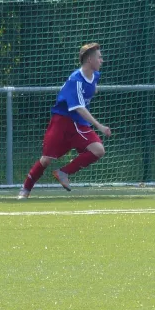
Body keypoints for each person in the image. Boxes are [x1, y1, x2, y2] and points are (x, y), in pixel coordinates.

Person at [18, 43, 111, 199]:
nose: (102, 60)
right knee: (46, 160)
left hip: (78, 124)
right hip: (62, 122)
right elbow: (79, 108)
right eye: (99, 57)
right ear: (89, 59)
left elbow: (92, 88)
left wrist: (93, 90)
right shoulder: (76, 79)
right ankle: (25, 190)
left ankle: (63, 172)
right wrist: (99, 126)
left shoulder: (95, 76)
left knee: (98, 150)